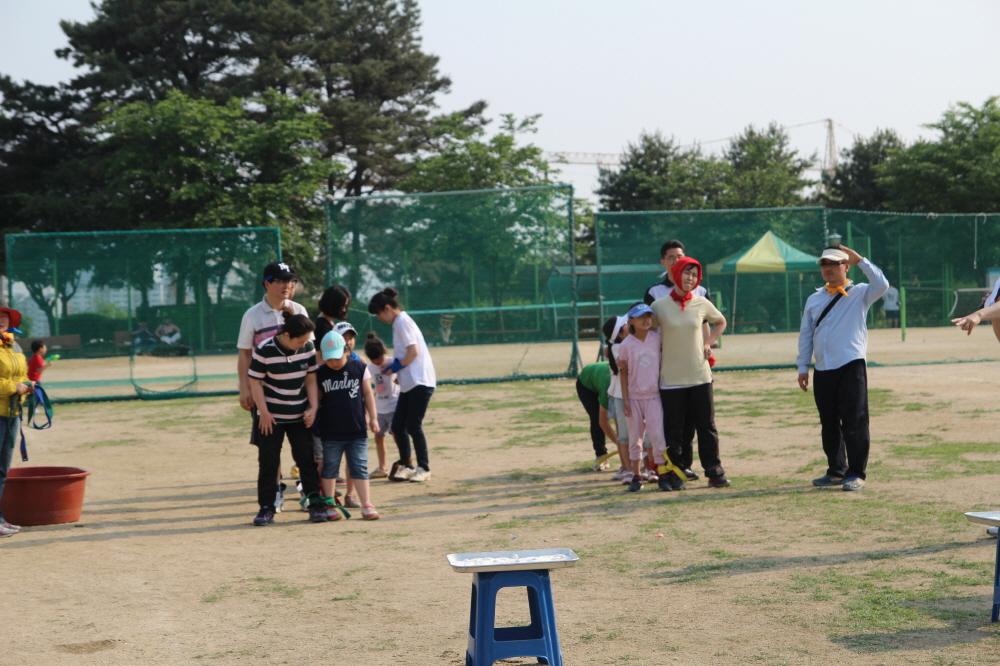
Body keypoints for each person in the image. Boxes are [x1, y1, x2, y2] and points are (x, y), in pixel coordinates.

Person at [797, 245, 889, 492]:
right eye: (824, 264)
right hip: (823, 368)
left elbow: (882, 284)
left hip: (851, 364)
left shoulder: (860, 293)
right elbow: (806, 334)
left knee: (855, 420)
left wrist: (861, 260)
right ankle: (836, 470)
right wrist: (803, 366)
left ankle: (856, 473)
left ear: (845, 267)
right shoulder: (814, 299)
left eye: (834, 264)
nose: (828, 268)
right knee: (828, 422)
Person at [652, 257, 730, 490]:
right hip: (670, 378)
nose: (690, 278)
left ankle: (714, 471)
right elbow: (648, 333)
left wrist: (708, 342)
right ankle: (677, 472)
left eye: (695, 275)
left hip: (700, 375)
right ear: (675, 273)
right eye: (686, 273)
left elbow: (721, 322)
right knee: (674, 430)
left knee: (707, 426)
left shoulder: (702, 303)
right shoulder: (659, 306)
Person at [247, 311, 325, 525]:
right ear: (287, 335)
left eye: (306, 341)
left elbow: (311, 379)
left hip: (300, 415)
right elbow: (255, 382)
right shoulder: (265, 349)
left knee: (306, 460)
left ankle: (315, 503)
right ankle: (266, 507)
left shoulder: (308, 347)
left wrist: (313, 407)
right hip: (271, 417)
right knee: (268, 462)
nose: (304, 345)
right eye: (300, 341)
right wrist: (264, 412)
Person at [644, 239, 704, 481]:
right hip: (666, 364)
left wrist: (707, 346)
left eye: (680, 256)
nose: (676, 261)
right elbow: (648, 327)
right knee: (669, 419)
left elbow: (707, 324)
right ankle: (664, 465)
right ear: (663, 262)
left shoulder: (700, 291)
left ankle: (685, 465)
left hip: (694, 365)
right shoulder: (654, 293)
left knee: (692, 419)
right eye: (671, 257)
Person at [368, 288, 436, 483]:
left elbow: (413, 352)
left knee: (413, 425)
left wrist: (397, 367)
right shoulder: (400, 322)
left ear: (387, 308)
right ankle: (407, 465)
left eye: (379, 314)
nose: (380, 318)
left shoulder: (401, 322)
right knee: (398, 426)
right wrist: (400, 373)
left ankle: (424, 467)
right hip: (409, 383)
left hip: (419, 381)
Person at [315, 330, 381, 520]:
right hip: (331, 432)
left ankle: (366, 504)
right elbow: (317, 399)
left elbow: (368, 394)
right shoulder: (321, 373)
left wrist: (373, 418)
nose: (333, 363)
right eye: (329, 359)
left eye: (336, 358)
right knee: (330, 468)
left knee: (359, 466)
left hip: (356, 430)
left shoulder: (359, 367)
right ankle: (329, 504)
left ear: (346, 351)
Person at [617, 303, 671, 492]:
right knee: (635, 437)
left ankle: (663, 474)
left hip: (654, 396)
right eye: (641, 317)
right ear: (631, 321)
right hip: (634, 398)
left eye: (648, 316)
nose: (646, 320)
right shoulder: (626, 345)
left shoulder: (657, 339)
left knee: (657, 436)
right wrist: (625, 400)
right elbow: (623, 373)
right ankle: (636, 476)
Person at [0, 307, 31, 538]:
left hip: (12, 413)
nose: (1, 321)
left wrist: (27, 386)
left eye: (4, 318)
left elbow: (22, 375)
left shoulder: (14, 345)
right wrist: (14, 387)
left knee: (2, 470)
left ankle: (0, 519)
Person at [363, 332, 398, 479]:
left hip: (394, 406)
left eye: (380, 358)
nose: (378, 362)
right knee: (378, 437)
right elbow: (369, 388)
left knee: (397, 436)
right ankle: (382, 467)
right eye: (374, 360)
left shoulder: (393, 362)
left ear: (384, 352)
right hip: (380, 408)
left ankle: (405, 462)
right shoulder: (370, 368)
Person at [603, 316, 632, 482]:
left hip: (622, 395)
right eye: (625, 324)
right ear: (620, 334)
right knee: (624, 435)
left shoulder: (616, 346)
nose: (629, 324)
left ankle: (627, 467)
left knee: (626, 434)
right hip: (621, 397)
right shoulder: (619, 348)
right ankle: (627, 468)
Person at [575, 361, 618, 470]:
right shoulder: (608, 386)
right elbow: (603, 422)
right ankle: (601, 454)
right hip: (585, 384)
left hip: (599, 376)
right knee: (596, 418)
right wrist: (620, 444)